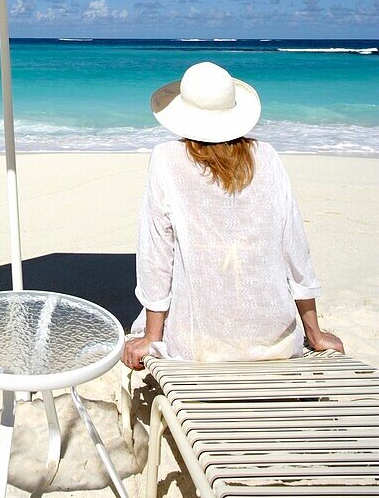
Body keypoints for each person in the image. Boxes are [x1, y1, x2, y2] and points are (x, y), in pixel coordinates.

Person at [123, 61, 344, 369]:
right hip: (274, 343)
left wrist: (150, 337)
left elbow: (157, 256)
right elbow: (295, 249)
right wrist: (315, 334)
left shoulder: (166, 159)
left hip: (196, 343)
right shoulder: (267, 156)